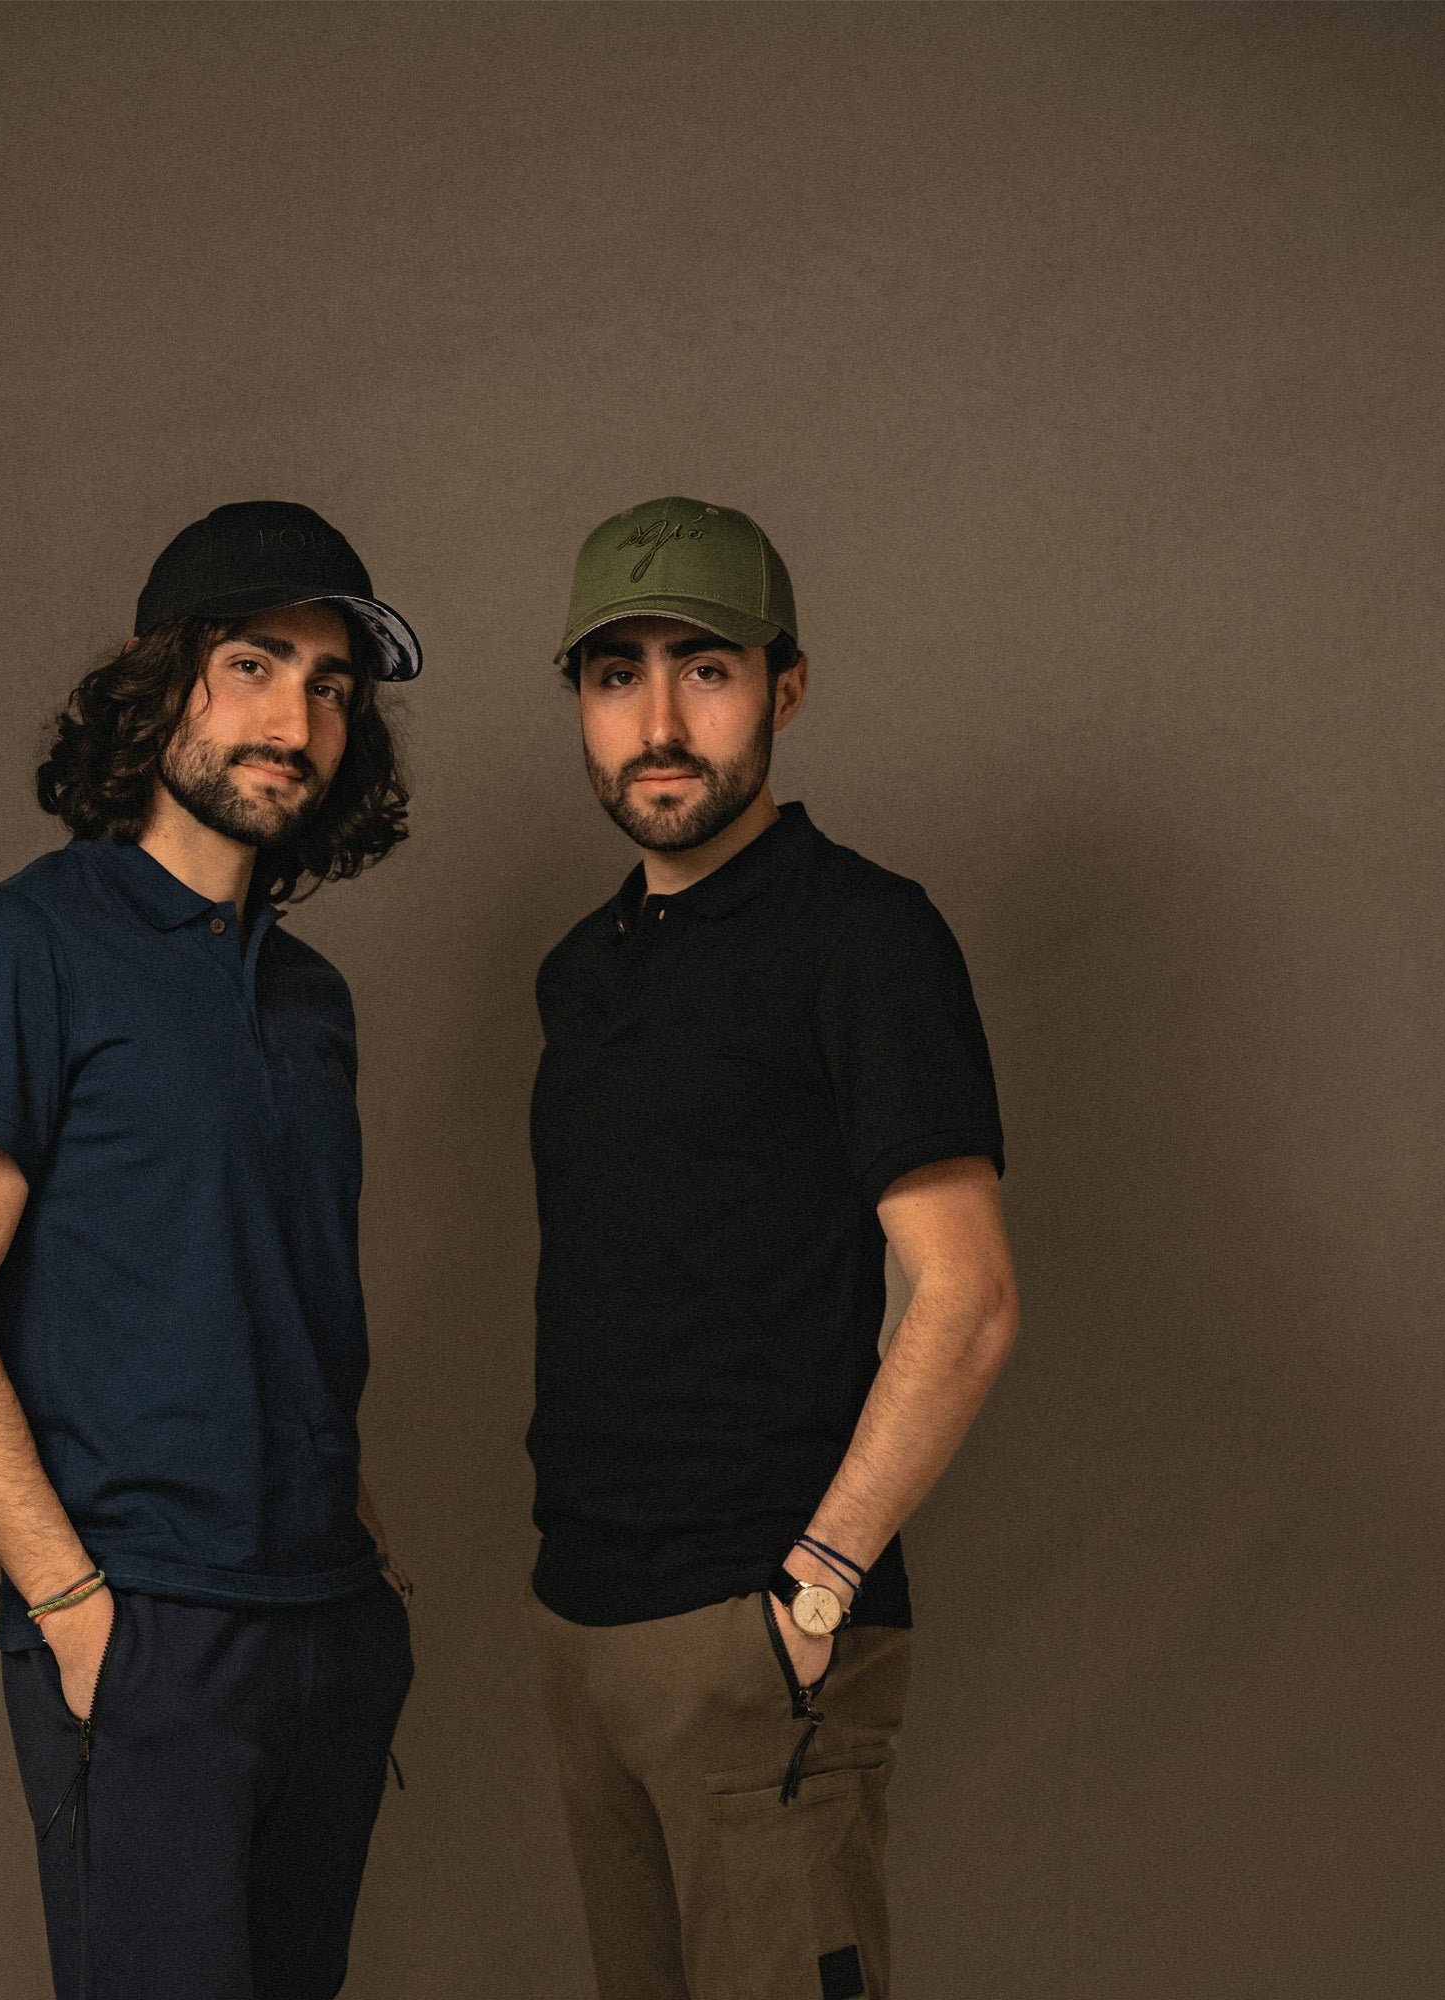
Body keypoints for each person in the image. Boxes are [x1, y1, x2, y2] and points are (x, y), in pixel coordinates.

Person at [0, 501, 421, 2000]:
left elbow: (275, 1296)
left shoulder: (312, 1002)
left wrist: (365, 1558)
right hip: (149, 1629)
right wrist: (73, 1612)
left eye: (329, 685)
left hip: (329, 1625)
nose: (293, 721)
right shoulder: (23, 942)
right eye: (252, 665)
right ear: (158, 677)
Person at [524, 497, 1021, 2000]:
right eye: (617, 676)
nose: (660, 724)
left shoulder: (862, 936)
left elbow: (966, 1295)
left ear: (785, 689)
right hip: (586, 1629)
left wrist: (816, 1584)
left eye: (707, 669)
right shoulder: (581, 972)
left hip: (763, 1631)